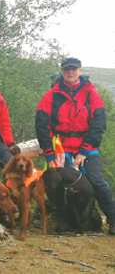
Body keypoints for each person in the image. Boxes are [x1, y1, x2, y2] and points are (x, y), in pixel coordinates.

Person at [36, 57, 115, 235]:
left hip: (86, 147)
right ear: (62, 72)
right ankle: (63, 221)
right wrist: (49, 153)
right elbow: (42, 123)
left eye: (73, 69)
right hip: (60, 148)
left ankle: (112, 220)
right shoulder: (52, 94)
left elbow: (99, 124)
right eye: (66, 70)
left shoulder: (91, 93)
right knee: (57, 184)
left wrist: (85, 150)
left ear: (80, 71)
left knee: (96, 181)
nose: (70, 72)